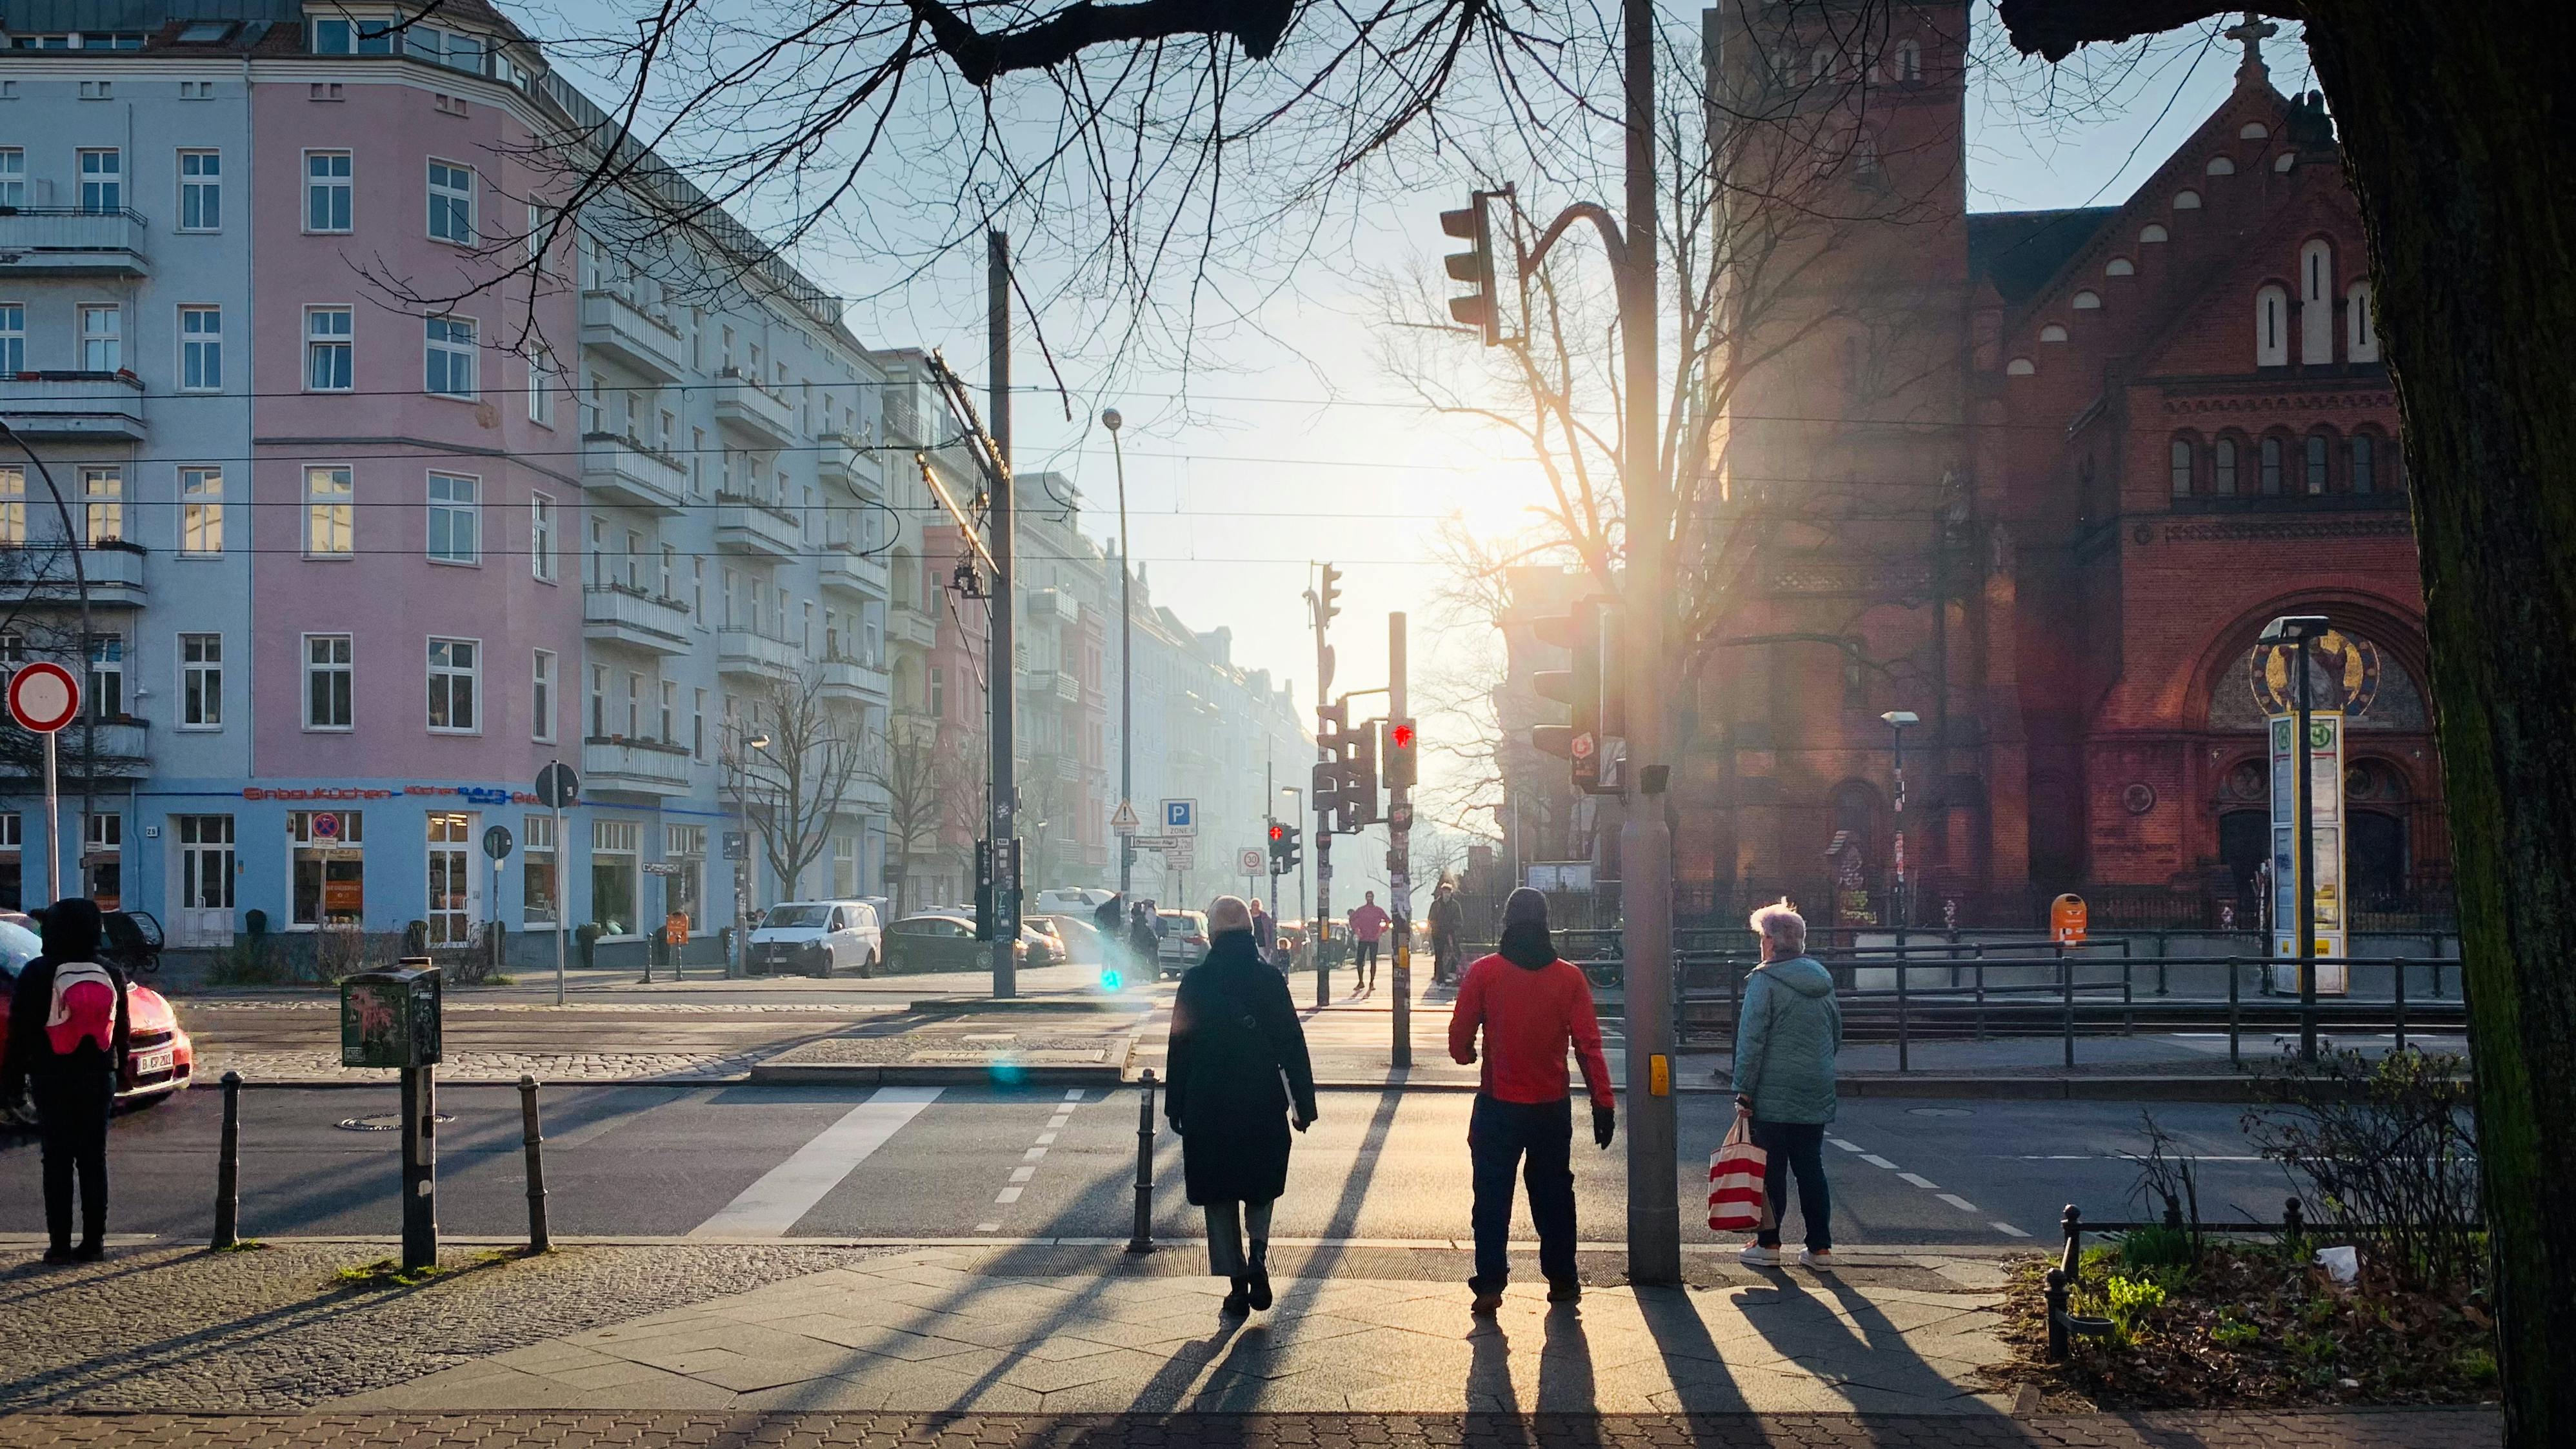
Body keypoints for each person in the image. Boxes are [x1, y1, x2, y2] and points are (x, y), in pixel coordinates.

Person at [1448, 888, 1613, 1314]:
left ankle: (1490, 1281)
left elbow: (1459, 1039)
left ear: (1505, 921)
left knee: (1490, 1194)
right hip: (1550, 1105)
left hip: (1498, 1102)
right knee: (1554, 1194)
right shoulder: (1569, 978)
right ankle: (1562, 1279)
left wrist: (1468, 1054)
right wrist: (1602, 1103)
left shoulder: (1484, 972)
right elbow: (1589, 1046)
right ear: (1545, 923)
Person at [1166, 895, 1317, 1315]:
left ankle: (1236, 1283)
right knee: (1259, 1184)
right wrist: (1302, 1104)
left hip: (1207, 1101)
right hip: (1260, 1100)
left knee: (1218, 1195)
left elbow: (1178, 1048)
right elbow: (1291, 1044)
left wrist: (1174, 1106)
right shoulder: (1269, 981)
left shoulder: (1194, 983)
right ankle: (1258, 1259)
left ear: (1212, 934)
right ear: (1251, 932)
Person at [2, 899, 132, 1263]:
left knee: (57, 1162)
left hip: (52, 1075)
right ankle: (94, 1244)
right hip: (99, 1075)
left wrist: (12, 1080)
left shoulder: (38, 972)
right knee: (94, 1161)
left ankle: (59, 1245)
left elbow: (20, 1031)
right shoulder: (110, 970)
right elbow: (121, 1029)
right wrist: (119, 1071)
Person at [1731, 901, 1844, 1270]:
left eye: (1761, 937)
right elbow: (1836, 1034)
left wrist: (1744, 1090)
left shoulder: (1765, 980)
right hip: (1816, 1086)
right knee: (1811, 1167)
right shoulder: (1822, 979)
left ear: (1770, 941)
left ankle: (1769, 1243)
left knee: (1771, 1167)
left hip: (1773, 1091)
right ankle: (1820, 1248)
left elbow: (1752, 1040)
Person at [1346, 892, 1390, 992]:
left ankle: (1371, 982)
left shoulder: (1378, 910)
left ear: (1373, 898)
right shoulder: (1361, 910)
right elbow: (1352, 919)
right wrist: (1357, 930)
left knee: (1373, 961)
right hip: (1363, 938)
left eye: (1371, 896)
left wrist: (1381, 931)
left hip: (1374, 938)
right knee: (1360, 960)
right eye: (1368, 896)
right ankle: (1361, 981)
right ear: (1366, 898)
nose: (1369, 898)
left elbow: (1388, 921)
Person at [1428, 879, 1465, 985]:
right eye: (1445, 892)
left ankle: (1450, 974)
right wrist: (1437, 927)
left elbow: (1459, 920)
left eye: (1448, 892)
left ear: (1451, 893)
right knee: (1439, 955)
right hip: (1438, 934)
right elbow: (1431, 918)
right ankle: (1441, 978)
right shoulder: (1436, 905)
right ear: (1442, 893)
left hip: (1450, 933)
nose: (1446, 895)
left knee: (1453, 954)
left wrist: (1452, 927)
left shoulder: (1455, 905)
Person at [1128, 901, 1163, 978]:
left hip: (1144, 944)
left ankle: (1146, 977)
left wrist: (1134, 943)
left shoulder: (1140, 920)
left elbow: (1140, 934)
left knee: (1142, 961)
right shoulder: (1143, 918)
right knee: (1149, 961)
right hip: (1148, 943)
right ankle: (1151, 976)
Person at [1250, 897, 1278, 966]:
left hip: (1263, 944)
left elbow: (1270, 930)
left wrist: (1271, 944)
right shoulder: (1247, 915)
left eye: (1257, 905)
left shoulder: (1264, 917)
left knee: (1265, 963)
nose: (1256, 907)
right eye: (1254, 905)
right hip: (1251, 944)